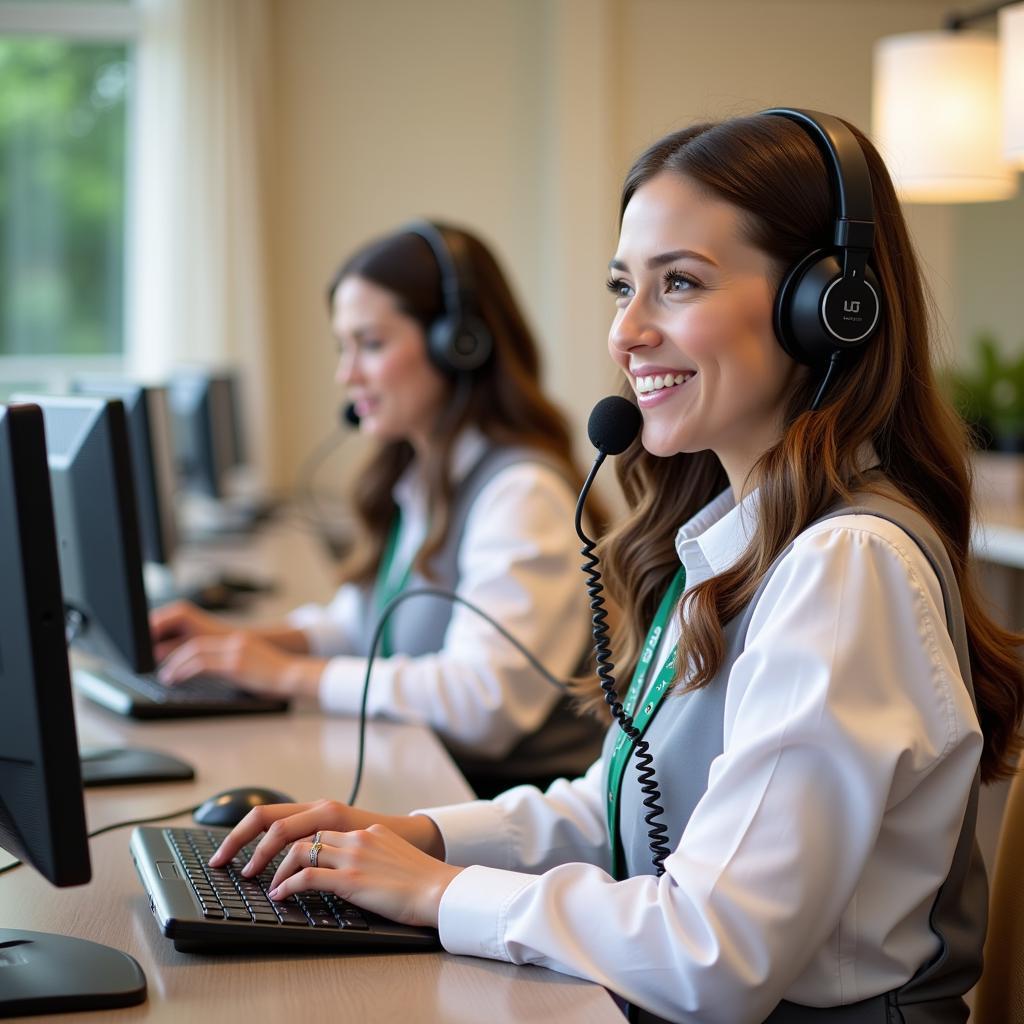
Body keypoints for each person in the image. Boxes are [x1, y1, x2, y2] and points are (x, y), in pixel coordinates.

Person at [203, 111, 1024, 1023]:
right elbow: (620, 807)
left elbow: (718, 954)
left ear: (829, 309)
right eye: (621, 287)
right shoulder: (736, 538)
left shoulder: (845, 566)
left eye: (679, 283)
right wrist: (421, 837)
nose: (625, 333)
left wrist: (440, 894)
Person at [151, 221, 606, 796]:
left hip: (497, 808)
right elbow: (358, 624)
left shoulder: (521, 493)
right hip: (425, 779)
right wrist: (238, 642)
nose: (347, 374)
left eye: (371, 344)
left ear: (460, 344)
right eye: (344, 347)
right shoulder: (417, 472)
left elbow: (483, 706)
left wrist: (288, 675)